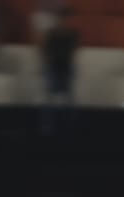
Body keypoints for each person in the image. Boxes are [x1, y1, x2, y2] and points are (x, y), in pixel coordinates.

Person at [38, 5, 79, 135]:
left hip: (66, 65)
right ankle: (48, 126)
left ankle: (69, 126)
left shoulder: (72, 33)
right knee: (49, 98)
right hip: (53, 65)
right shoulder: (52, 33)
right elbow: (45, 49)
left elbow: (73, 50)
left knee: (69, 98)